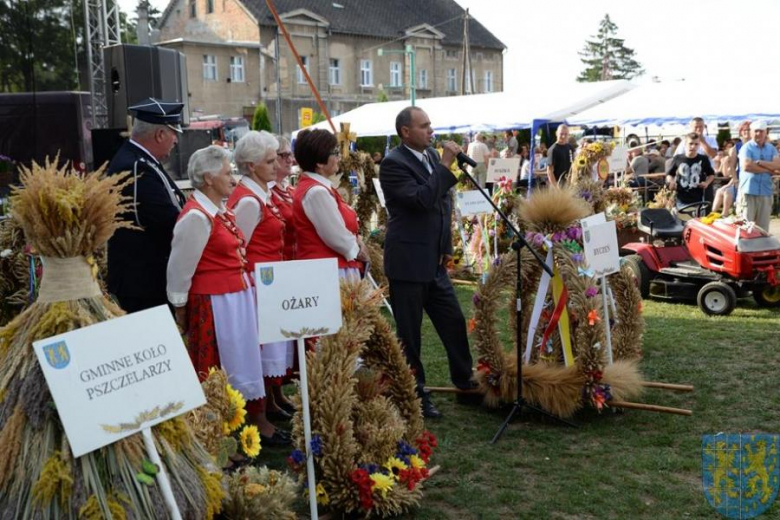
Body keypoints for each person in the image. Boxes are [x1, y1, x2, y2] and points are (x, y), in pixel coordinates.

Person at [166, 146, 289, 445]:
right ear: (208, 178)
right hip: (214, 302)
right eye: (226, 173)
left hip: (233, 296)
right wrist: (180, 307)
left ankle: (242, 422)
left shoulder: (217, 210)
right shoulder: (197, 216)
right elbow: (180, 268)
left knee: (239, 360)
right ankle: (217, 436)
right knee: (216, 365)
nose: (233, 179)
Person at [379, 106, 476, 419]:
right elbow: (421, 200)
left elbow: (443, 205)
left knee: (454, 321)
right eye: (424, 126)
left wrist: (446, 246)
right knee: (410, 335)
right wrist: (446, 165)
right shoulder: (393, 164)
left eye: (431, 125)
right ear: (406, 131)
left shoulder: (432, 158)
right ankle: (416, 394)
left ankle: (465, 381)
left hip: (434, 262)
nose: (431, 131)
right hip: (407, 262)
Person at [228, 131, 295, 441]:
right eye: (270, 161)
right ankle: (258, 418)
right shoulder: (248, 201)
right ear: (252, 166)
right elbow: (237, 248)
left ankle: (267, 406)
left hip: (268, 279)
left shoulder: (260, 193)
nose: (277, 165)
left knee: (268, 347)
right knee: (257, 350)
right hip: (255, 283)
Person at [107, 98, 186, 313]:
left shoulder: (140, 160)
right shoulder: (136, 167)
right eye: (174, 133)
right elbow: (167, 221)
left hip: (146, 279)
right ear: (160, 135)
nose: (176, 140)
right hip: (142, 283)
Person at [292, 129, 369, 281]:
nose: (339, 157)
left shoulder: (321, 187)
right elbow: (337, 237)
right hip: (328, 272)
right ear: (320, 162)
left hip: (334, 267)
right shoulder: (316, 192)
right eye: (335, 152)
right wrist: (360, 252)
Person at [738, 120, 779, 232]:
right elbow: (747, 166)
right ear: (751, 132)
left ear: (766, 132)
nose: (758, 134)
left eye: (761, 131)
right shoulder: (746, 148)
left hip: (766, 192)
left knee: (763, 230)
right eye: (756, 131)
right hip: (748, 192)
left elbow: (778, 165)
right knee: (745, 229)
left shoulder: (771, 148)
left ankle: (762, 250)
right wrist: (769, 170)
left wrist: (760, 162)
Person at [666, 133, 716, 211]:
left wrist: (706, 183)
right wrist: (671, 181)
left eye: (696, 144)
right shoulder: (678, 158)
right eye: (691, 144)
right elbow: (669, 174)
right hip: (681, 197)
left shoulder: (703, 159)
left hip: (698, 198)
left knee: (696, 221)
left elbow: (711, 174)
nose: (693, 146)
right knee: (683, 220)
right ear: (685, 144)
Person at [715, 121, 750, 215]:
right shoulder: (736, 147)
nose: (746, 132)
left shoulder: (756, 146)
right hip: (739, 179)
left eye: (749, 130)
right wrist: (735, 180)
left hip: (750, 181)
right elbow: (732, 166)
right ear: (741, 132)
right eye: (744, 130)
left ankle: (724, 214)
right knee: (724, 192)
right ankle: (714, 214)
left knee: (727, 193)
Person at [272, 135, 297, 261]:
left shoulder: (291, 190)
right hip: (279, 266)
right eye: (285, 155)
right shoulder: (266, 193)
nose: (290, 160)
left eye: (291, 155)